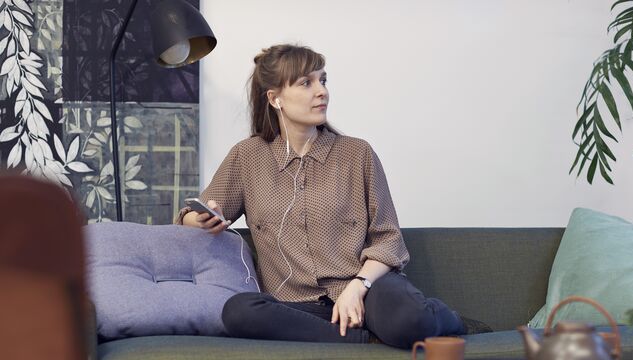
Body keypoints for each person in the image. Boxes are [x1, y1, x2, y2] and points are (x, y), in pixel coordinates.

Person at [175, 44, 491, 349]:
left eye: (323, 80)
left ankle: (445, 320)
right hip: (300, 308)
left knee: (410, 320)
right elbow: (192, 215)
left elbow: (389, 239)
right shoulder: (247, 157)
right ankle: (362, 339)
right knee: (239, 312)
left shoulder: (357, 153)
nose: (322, 91)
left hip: (368, 292)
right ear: (275, 99)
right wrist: (198, 217)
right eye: (306, 83)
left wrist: (358, 287)